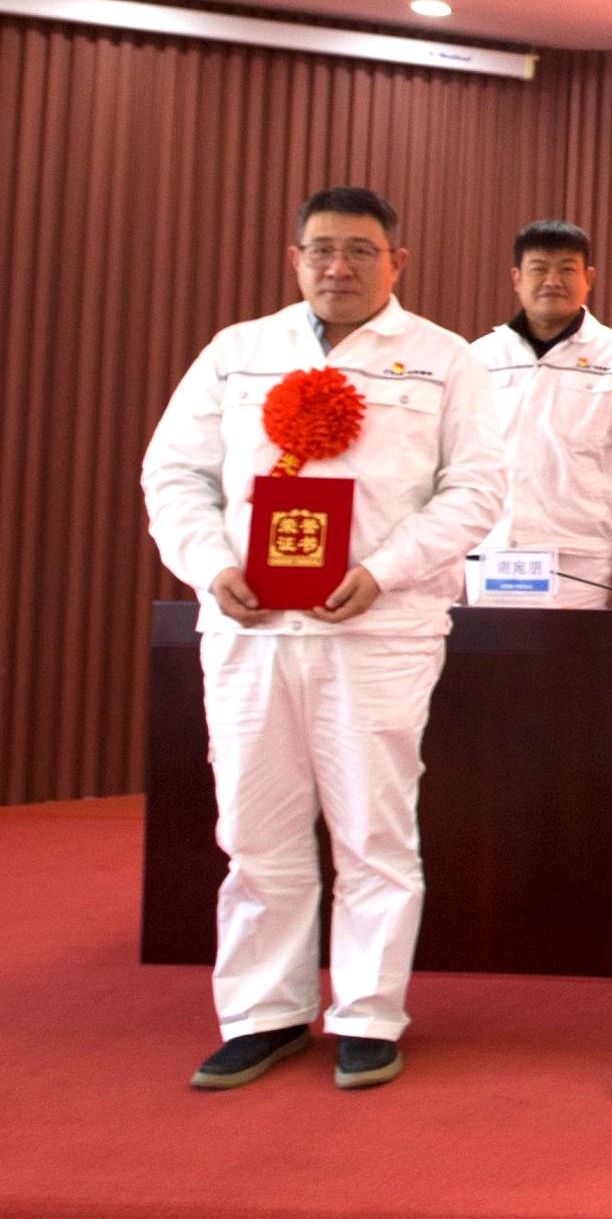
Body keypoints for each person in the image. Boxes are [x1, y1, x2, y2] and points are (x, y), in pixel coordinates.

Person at [141, 185, 504, 1092]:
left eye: (360, 251)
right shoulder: (238, 352)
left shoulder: (444, 359)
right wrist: (210, 565)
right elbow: (174, 475)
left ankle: (368, 1014)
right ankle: (263, 1013)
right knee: (253, 828)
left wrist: (384, 569)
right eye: (321, 250)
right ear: (294, 259)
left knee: (373, 828)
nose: (338, 267)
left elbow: (476, 489)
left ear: (397, 262)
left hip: (377, 629)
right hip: (252, 629)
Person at [465, 220, 612, 609]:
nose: (552, 280)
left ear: (589, 278)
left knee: (574, 653)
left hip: (584, 563)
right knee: (486, 651)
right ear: (517, 278)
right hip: (491, 553)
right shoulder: (479, 357)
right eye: (539, 268)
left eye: (567, 269)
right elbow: (459, 459)